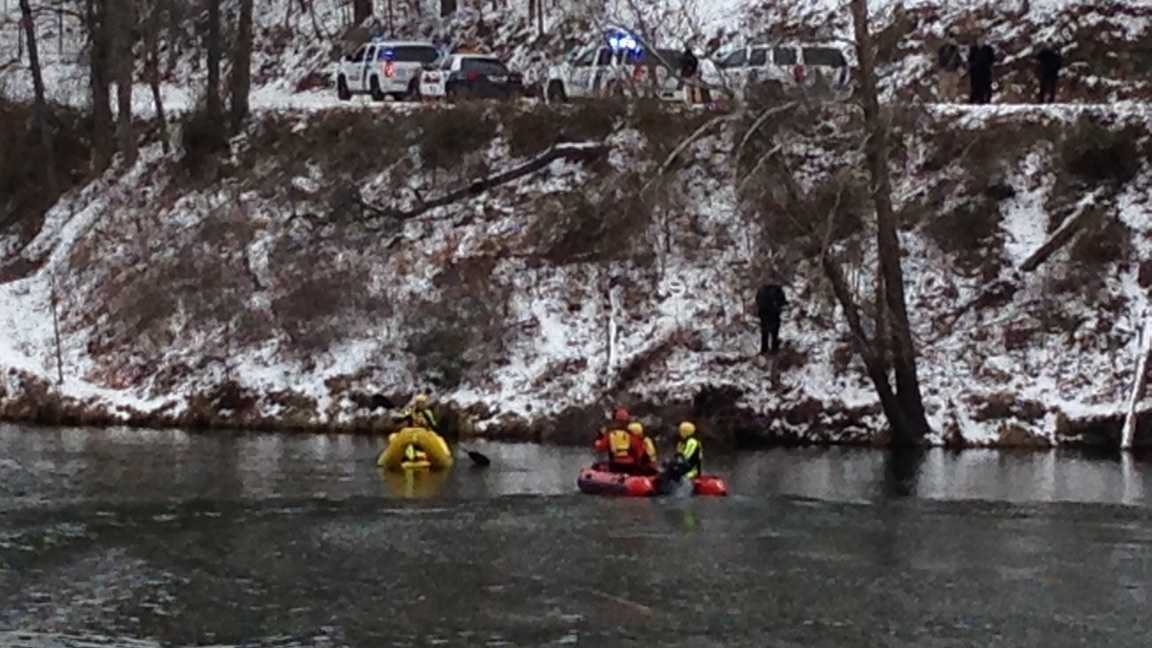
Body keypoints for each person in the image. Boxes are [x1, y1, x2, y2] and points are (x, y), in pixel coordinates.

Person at [755, 282, 787, 355]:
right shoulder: (778, 290)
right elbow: (783, 302)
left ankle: (764, 350)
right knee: (774, 333)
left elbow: (757, 301)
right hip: (774, 315)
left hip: (764, 315)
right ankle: (774, 350)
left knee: (765, 334)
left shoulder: (762, 290)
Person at [967, 38, 995, 104]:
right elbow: (970, 59)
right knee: (975, 86)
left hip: (985, 71)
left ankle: (987, 100)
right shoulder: (973, 49)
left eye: (982, 41)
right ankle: (977, 100)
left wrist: (987, 65)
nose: (980, 42)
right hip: (975, 71)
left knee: (986, 86)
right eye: (979, 41)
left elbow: (992, 59)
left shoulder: (988, 49)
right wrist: (972, 66)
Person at [936, 36, 963, 102]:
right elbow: (940, 59)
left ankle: (952, 99)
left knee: (953, 86)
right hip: (945, 70)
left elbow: (959, 60)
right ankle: (942, 99)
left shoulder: (956, 50)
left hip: (954, 70)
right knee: (944, 85)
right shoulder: (943, 49)